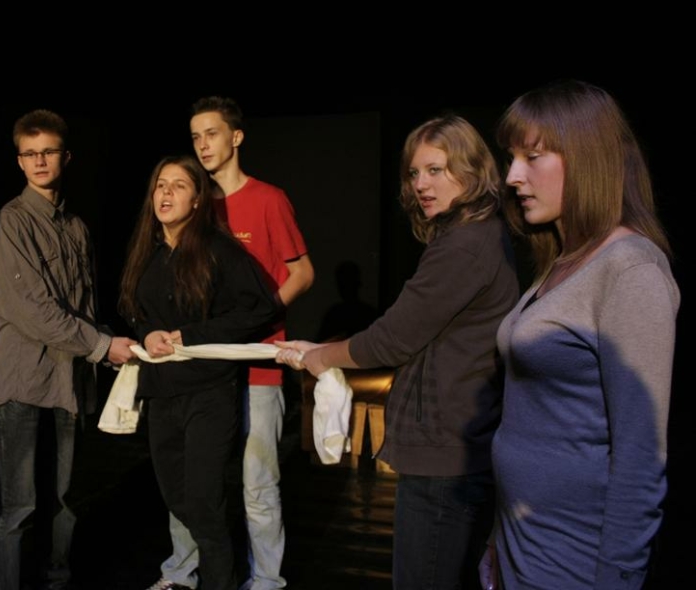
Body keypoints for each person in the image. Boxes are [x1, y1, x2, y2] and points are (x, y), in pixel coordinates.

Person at [275, 114, 520, 589]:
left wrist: (320, 358)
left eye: (436, 170)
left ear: (471, 170)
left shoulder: (465, 245)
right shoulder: (469, 236)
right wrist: (321, 348)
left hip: (446, 454)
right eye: (414, 173)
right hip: (452, 447)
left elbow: (393, 339)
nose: (421, 184)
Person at [479, 80, 679, 590]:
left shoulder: (631, 269)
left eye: (533, 157)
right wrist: (498, 541)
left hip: (572, 558)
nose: (512, 176)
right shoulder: (562, 262)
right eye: (512, 158)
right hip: (521, 544)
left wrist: (617, 578)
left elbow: (641, 458)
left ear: (588, 158)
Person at [150, 96, 314, 590]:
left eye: (212, 133)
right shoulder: (194, 204)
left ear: (236, 137)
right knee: (191, 483)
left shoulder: (267, 199)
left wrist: (255, 322)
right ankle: (181, 572)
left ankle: (265, 581)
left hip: (255, 366)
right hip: (200, 370)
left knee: (257, 483)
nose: (203, 145)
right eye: (195, 136)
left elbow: (302, 272)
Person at [0, 109, 136, 590]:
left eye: (48, 151)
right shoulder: (11, 222)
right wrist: (103, 346)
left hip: (69, 383)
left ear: (65, 156)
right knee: (18, 507)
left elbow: (84, 312)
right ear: (19, 161)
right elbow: (34, 311)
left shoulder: (77, 228)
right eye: (29, 154)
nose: (39, 161)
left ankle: (56, 581)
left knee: (64, 502)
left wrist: (126, 343)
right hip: (24, 383)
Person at [119, 155, 280, 590]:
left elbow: (260, 309)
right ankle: (204, 569)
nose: (166, 193)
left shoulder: (217, 250)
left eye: (178, 185)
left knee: (205, 504)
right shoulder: (147, 252)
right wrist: (147, 331)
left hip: (209, 393)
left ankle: (220, 581)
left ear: (196, 200)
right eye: (160, 184)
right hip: (161, 393)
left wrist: (191, 335)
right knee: (177, 498)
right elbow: (133, 310)